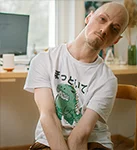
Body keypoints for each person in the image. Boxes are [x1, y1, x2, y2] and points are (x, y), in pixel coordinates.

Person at [24, 2, 129, 150]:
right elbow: (48, 115)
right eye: (102, 19)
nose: (104, 29)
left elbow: (80, 135)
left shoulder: (108, 80)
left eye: (114, 29)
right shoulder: (44, 60)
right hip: (49, 140)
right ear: (89, 17)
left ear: (116, 40)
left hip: (94, 141)